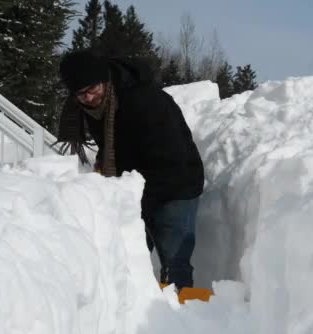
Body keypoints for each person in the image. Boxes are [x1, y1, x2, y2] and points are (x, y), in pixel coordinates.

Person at [56, 50, 204, 290]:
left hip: (177, 185)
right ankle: (136, 307)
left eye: (92, 88)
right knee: (129, 256)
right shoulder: (96, 108)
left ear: (104, 79)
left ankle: (185, 315)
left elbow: (170, 157)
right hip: (138, 187)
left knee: (175, 262)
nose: (89, 97)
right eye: (81, 94)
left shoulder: (145, 102)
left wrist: (135, 197)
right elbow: (112, 148)